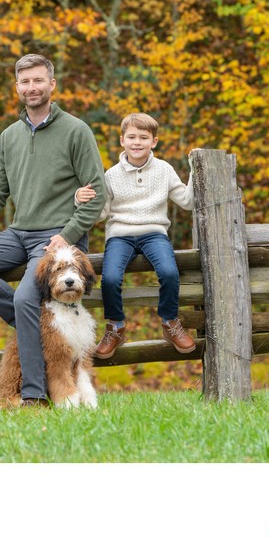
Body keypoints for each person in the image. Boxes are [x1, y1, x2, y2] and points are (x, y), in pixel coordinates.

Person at [0, 53, 106, 408]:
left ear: (52, 84)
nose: (31, 87)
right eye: (25, 82)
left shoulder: (76, 130)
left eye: (38, 80)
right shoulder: (9, 136)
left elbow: (97, 193)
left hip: (58, 237)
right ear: (17, 87)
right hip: (19, 232)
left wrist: (68, 233)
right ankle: (35, 322)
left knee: (24, 298)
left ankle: (35, 395)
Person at [75, 112, 196, 359]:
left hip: (154, 232)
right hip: (120, 234)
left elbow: (186, 201)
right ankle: (116, 327)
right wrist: (80, 201)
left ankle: (170, 322)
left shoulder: (164, 169)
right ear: (122, 141)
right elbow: (102, 214)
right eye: (131, 137)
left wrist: (196, 168)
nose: (137, 142)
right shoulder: (110, 175)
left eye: (144, 137)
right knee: (109, 278)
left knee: (170, 273)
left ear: (154, 141)